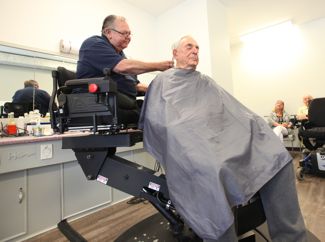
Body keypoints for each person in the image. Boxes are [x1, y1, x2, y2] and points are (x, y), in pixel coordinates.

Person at [139, 36, 308, 242]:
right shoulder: (162, 82)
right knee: (210, 175)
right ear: (175, 53)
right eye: (189, 46)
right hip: (194, 147)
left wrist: (255, 125)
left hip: (221, 141)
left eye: (198, 47)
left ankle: (291, 237)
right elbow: (162, 123)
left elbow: (231, 112)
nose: (195, 51)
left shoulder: (205, 81)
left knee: (277, 158)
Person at [77, 15, 173, 124]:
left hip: (122, 104)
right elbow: (122, 67)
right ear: (108, 32)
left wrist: (159, 89)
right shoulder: (94, 44)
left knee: (160, 109)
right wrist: (159, 66)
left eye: (129, 34)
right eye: (124, 33)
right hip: (99, 104)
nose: (128, 37)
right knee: (157, 117)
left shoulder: (120, 55)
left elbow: (135, 85)